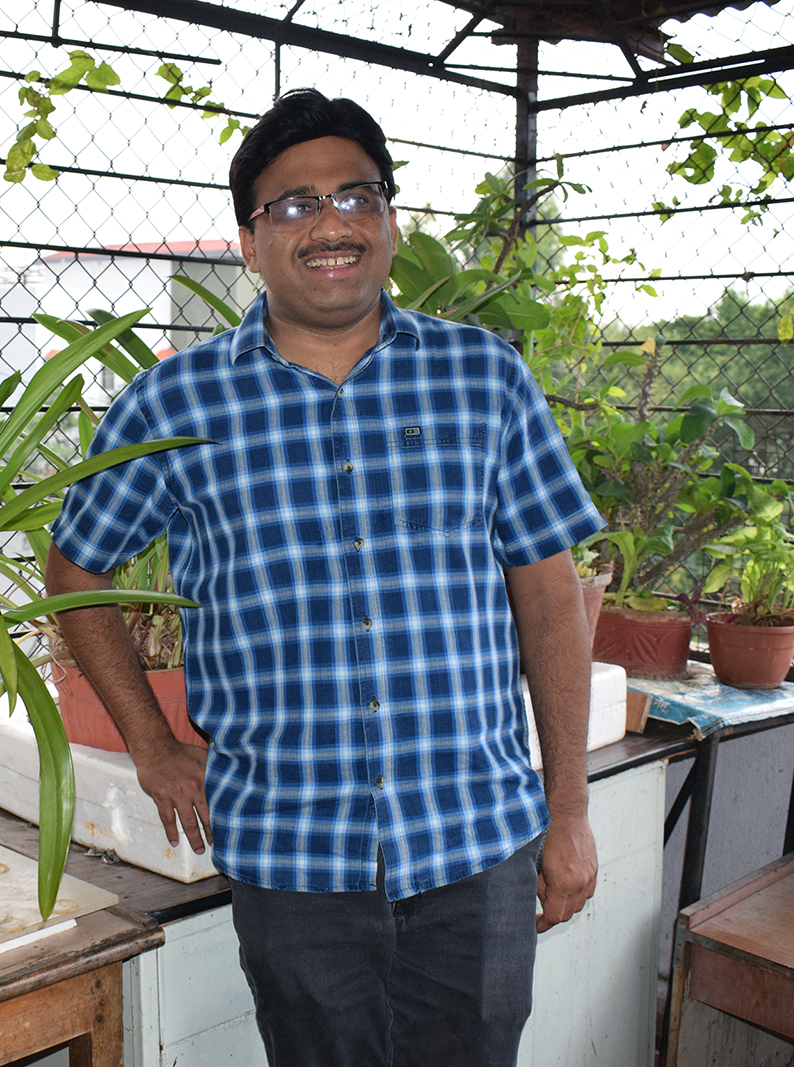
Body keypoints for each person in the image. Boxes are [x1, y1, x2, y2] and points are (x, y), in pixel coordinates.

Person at [45, 88, 603, 1067]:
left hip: (476, 845)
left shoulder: (484, 377)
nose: (331, 222)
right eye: (292, 205)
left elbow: (549, 594)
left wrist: (570, 809)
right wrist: (150, 744)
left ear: (389, 220)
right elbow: (75, 570)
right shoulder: (173, 402)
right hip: (294, 863)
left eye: (356, 195)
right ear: (250, 243)